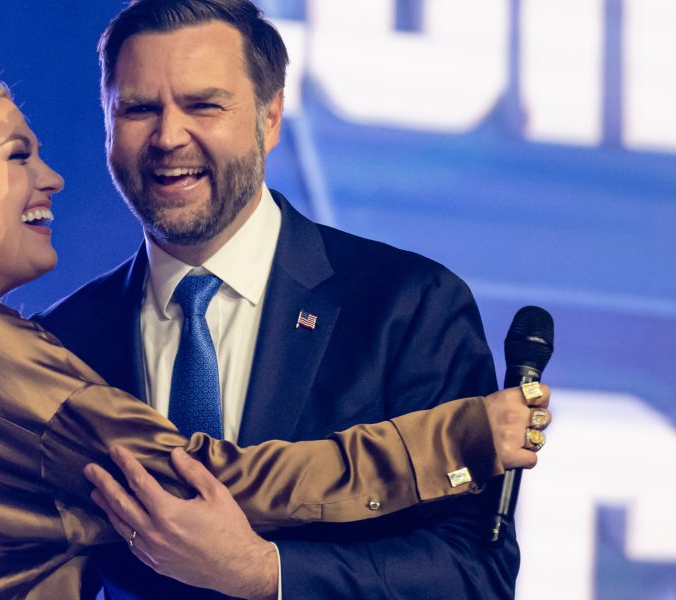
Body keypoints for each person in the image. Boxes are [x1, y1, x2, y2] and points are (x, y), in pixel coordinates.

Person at [0, 66, 550, 600]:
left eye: (204, 104)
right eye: (17, 155)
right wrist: (455, 441)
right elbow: (198, 487)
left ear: (269, 116)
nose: (50, 177)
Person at [34, 0, 520, 598]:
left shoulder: (407, 307)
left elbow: (476, 575)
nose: (167, 136)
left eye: (203, 105)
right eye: (138, 109)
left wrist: (265, 573)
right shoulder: (60, 343)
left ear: (270, 119)